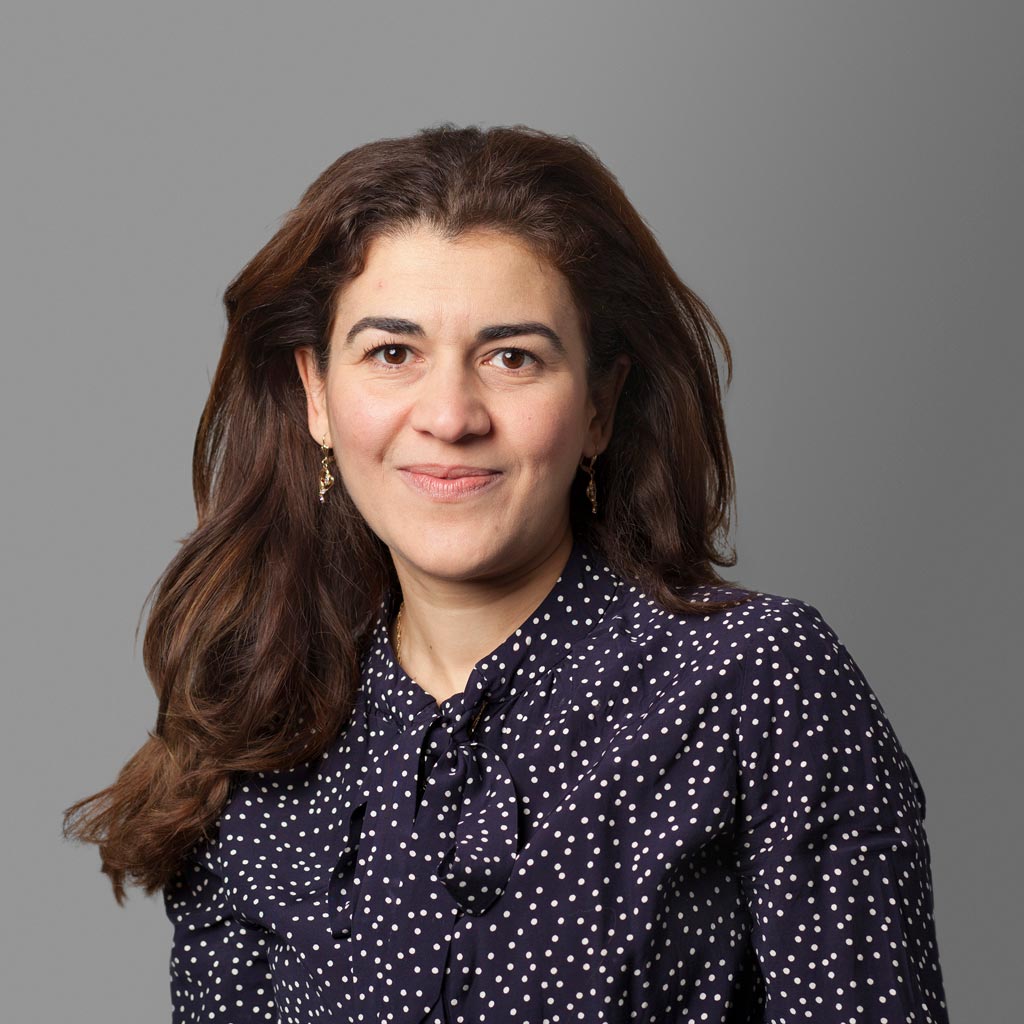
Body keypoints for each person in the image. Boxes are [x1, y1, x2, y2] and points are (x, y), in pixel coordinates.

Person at [63, 123, 950, 1023]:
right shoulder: (258, 726)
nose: (450, 416)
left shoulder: (762, 678)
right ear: (317, 395)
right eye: (393, 353)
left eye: (512, 357)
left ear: (599, 404)